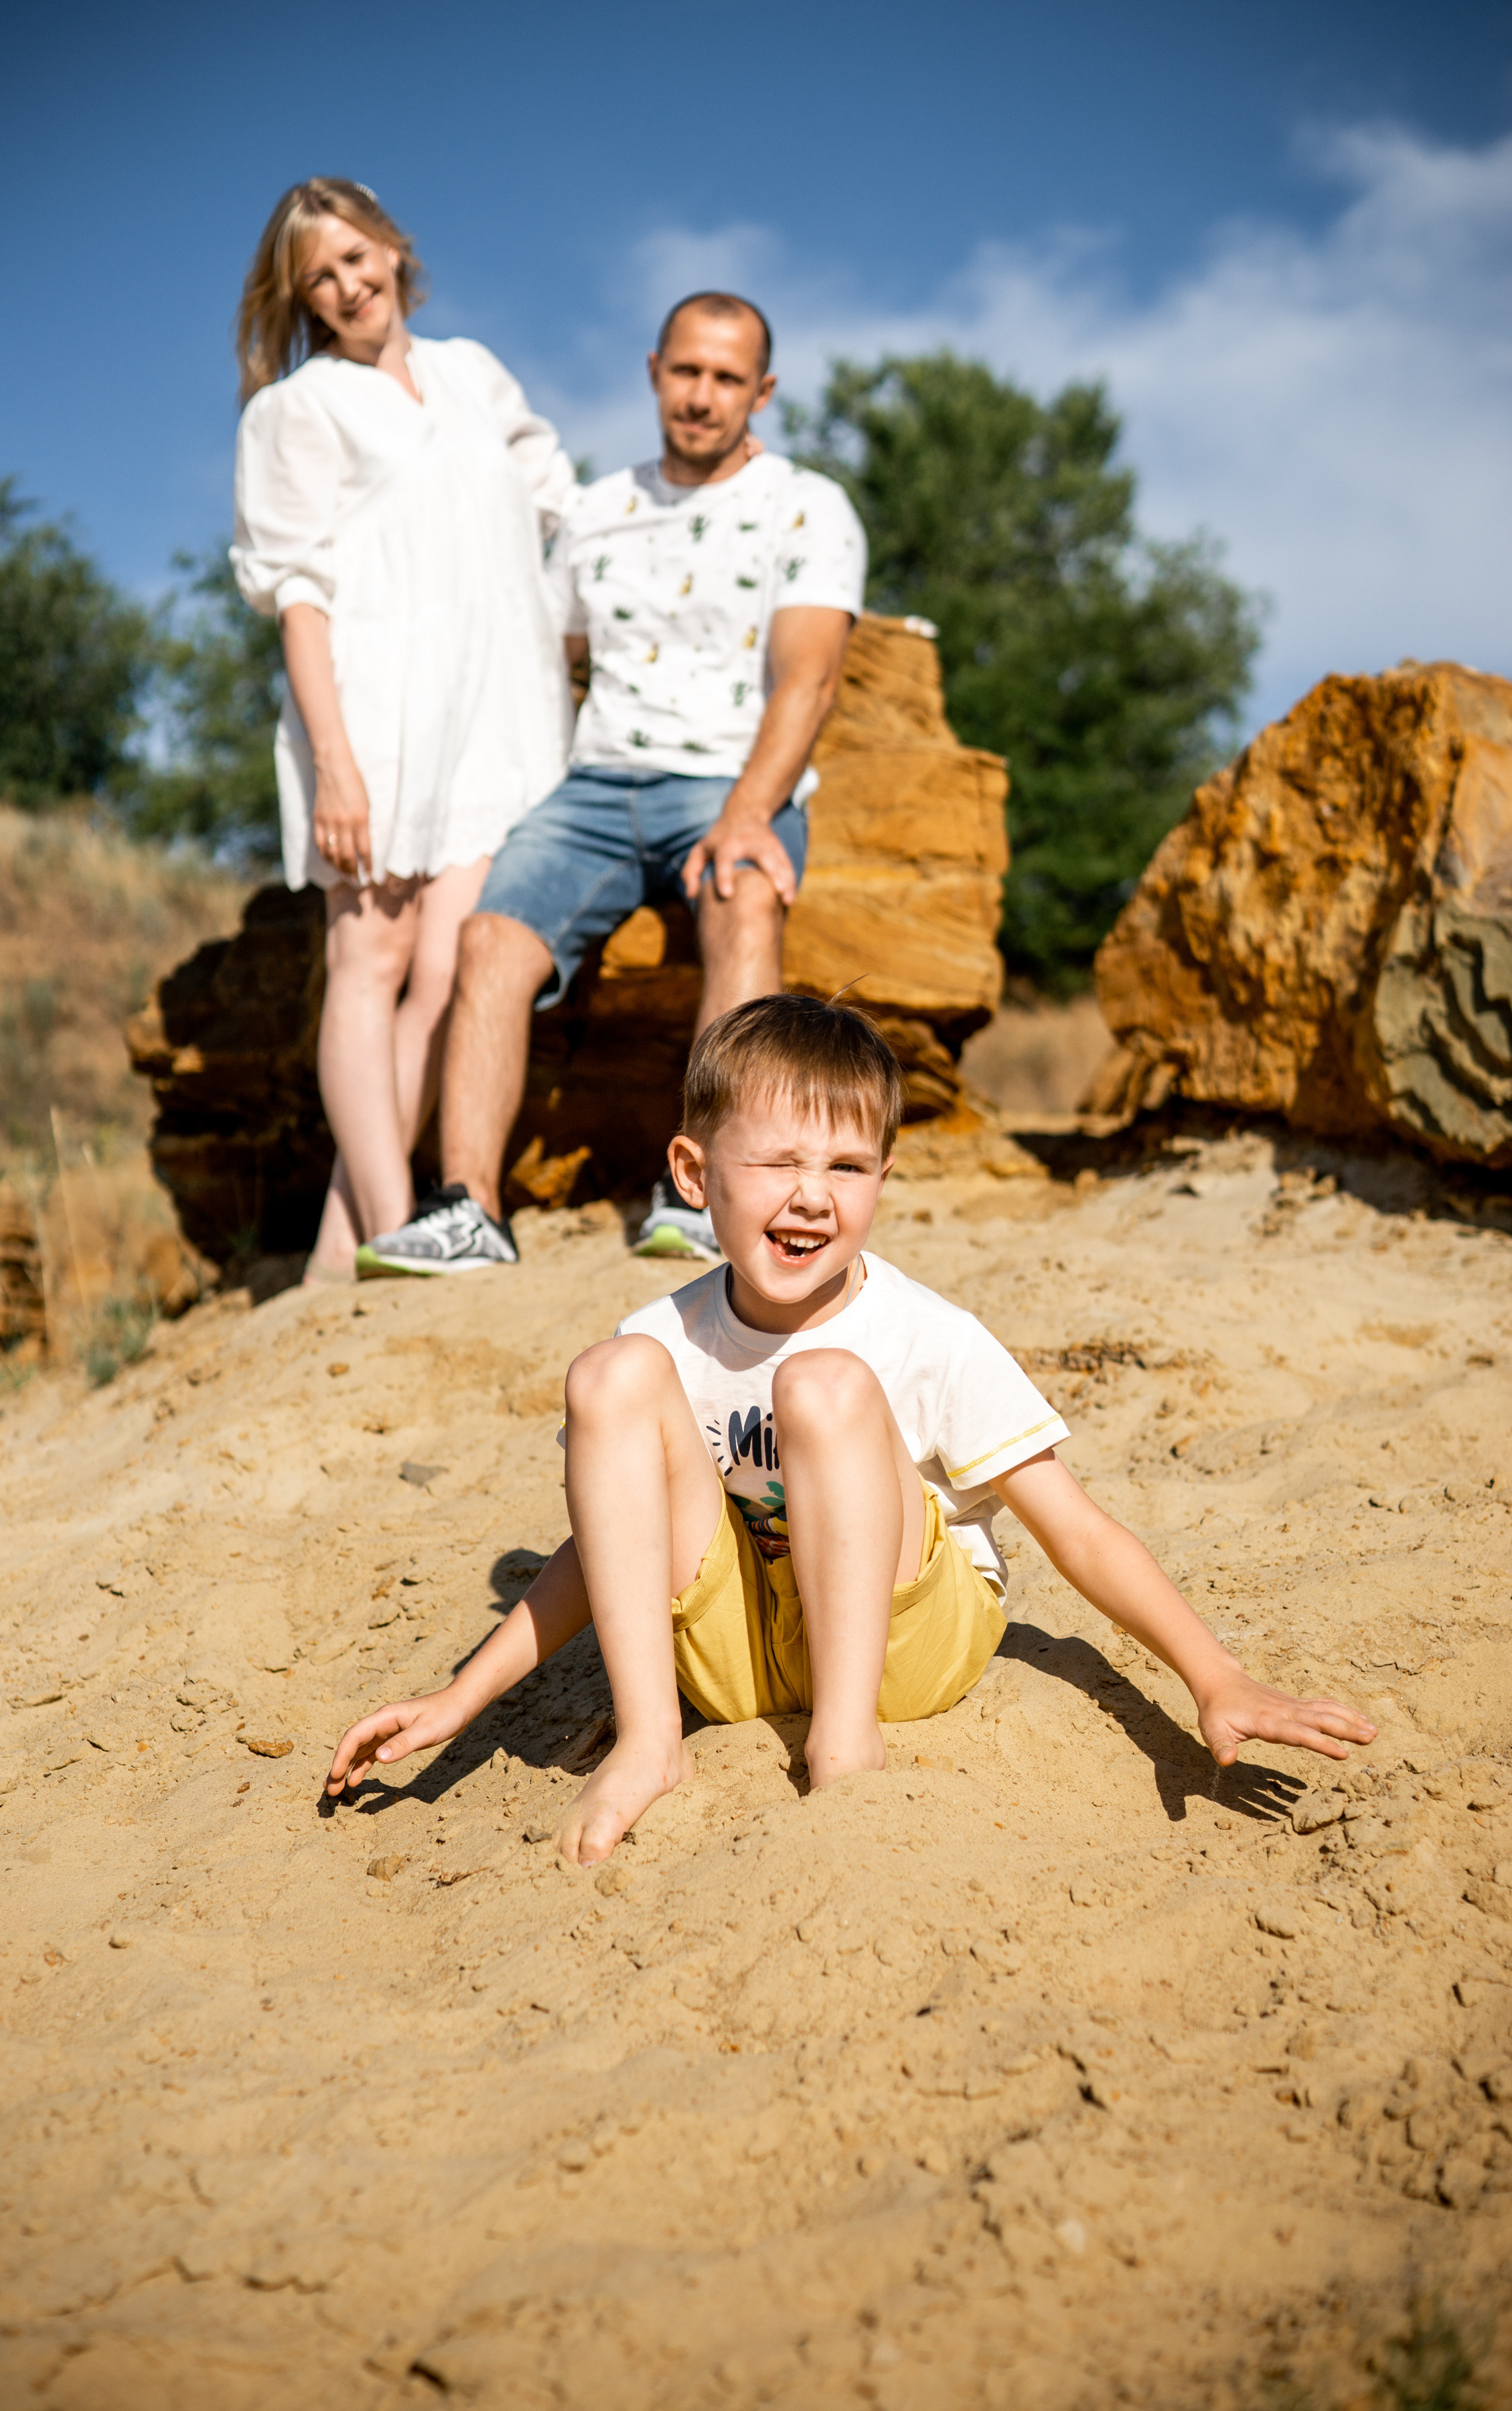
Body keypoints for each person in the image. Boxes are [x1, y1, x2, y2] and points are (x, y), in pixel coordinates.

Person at [325, 993, 1377, 1865]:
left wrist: (1215, 1675)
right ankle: (650, 1742)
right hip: (737, 1658)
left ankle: (843, 1743)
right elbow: (600, 1553)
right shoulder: (669, 1333)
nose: (811, 1198)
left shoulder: (926, 1333)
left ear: (882, 1178)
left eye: (845, 1168)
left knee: (824, 1384)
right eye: (777, 1163)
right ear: (695, 1177)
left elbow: (1079, 1530)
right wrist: (461, 1697)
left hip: (903, 1644)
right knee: (608, 1375)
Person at [354, 289, 866, 1278]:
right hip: (592, 788)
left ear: (761, 391)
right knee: (490, 940)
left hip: (728, 777)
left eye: (726, 378)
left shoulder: (808, 506)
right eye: (686, 372)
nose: (703, 396)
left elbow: (812, 676)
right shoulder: (598, 512)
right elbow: (543, 656)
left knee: (744, 900)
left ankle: (712, 1201)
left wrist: (750, 813)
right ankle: (467, 1211)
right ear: (654, 372)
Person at [231, 177, 573, 1283]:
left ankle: (349, 1249)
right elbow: (299, 594)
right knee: (366, 957)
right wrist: (335, 764)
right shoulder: (296, 409)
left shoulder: (473, 373)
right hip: (371, 717)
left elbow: (560, 503)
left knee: (445, 968)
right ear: (303, 300)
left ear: (392, 247)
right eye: (319, 277)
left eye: (356, 256)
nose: (347, 285)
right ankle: (391, 1230)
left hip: (493, 715)